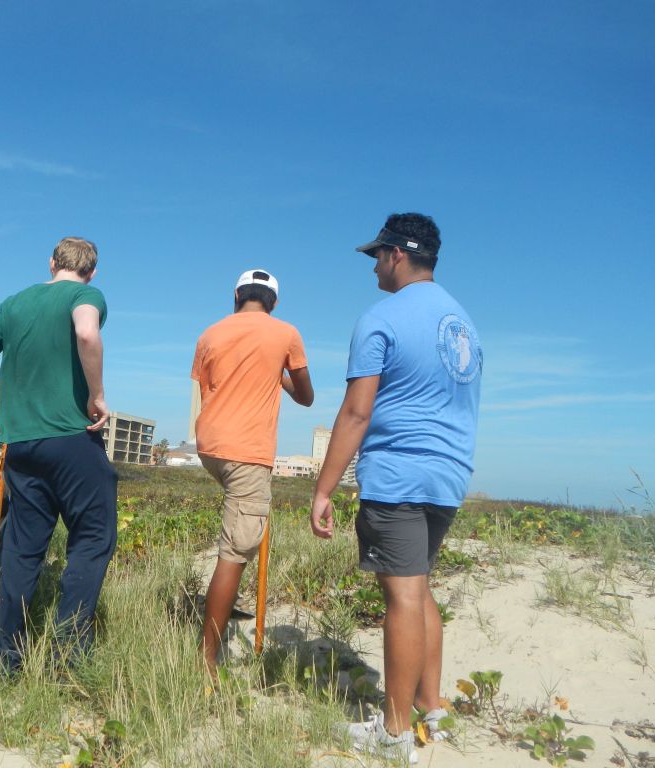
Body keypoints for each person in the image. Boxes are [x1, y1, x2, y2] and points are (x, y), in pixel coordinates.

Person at [310, 213, 482, 763]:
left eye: (376, 256)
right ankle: (431, 708)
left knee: (402, 596)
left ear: (397, 254)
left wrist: (324, 489)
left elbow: (358, 411)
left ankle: (394, 731)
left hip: (398, 473)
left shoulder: (382, 317)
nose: (374, 268)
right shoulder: (463, 324)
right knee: (420, 587)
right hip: (449, 474)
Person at [0, 236, 116, 673]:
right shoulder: (86, 295)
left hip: (21, 442)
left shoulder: (15, 303)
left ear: (51, 263)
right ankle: (67, 653)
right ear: (92, 271)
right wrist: (98, 395)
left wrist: (2, 400)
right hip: (71, 437)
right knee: (93, 537)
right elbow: (86, 330)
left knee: (23, 547)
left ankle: (7, 655)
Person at [192, 269, 313, 675]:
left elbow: (207, 386)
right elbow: (306, 397)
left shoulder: (209, 333)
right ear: (273, 302)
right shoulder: (286, 333)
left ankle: (223, 613)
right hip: (248, 450)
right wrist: (275, 370)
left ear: (237, 294)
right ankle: (207, 660)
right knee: (237, 551)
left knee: (237, 534)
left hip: (210, 446)